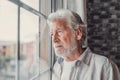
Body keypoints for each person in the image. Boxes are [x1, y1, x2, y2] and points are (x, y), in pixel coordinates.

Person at [47, 9, 120, 80]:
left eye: (59, 32)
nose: (54, 40)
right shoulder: (57, 66)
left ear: (78, 33)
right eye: (52, 34)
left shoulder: (104, 66)